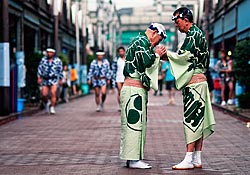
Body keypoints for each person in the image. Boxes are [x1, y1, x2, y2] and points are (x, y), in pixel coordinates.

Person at [166, 7, 216, 170]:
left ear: (186, 20)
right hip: (200, 82)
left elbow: (182, 58)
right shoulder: (198, 34)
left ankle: (188, 158)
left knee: (191, 119)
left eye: (177, 21)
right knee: (199, 120)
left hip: (194, 84)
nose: (176, 25)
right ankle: (196, 158)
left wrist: (165, 55)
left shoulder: (192, 36)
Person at [120, 23, 167, 169]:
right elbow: (146, 62)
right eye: (158, 40)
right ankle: (133, 159)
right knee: (134, 123)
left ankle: (133, 158)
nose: (157, 44)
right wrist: (157, 54)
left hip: (135, 89)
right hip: (133, 89)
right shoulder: (141, 42)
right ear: (154, 33)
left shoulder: (141, 42)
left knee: (137, 123)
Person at [37, 48, 63, 114]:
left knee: (53, 93)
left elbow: (60, 70)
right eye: (48, 52)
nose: (49, 54)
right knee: (44, 94)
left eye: (50, 52)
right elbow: (40, 68)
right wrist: (39, 77)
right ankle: (47, 103)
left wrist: (60, 79)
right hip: (45, 79)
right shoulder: (43, 60)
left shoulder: (58, 61)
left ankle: (52, 107)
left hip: (53, 79)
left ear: (53, 53)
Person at [112, 46, 126, 111]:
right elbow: (113, 70)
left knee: (125, 93)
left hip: (126, 78)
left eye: (122, 51)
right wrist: (113, 79)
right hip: (118, 78)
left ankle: (125, 105)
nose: (121, 53)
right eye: (120, 51)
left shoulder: (127, 59)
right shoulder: (116, 60)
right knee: (120, 92)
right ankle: (120, 105)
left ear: (124, 52)